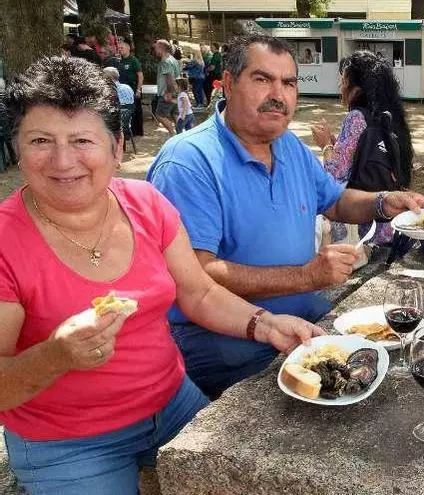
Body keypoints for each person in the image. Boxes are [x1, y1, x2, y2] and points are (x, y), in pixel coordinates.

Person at [0, 55, 323, 494]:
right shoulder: (6, 240)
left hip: (172, 403)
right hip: (67, 444)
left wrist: (265, 324)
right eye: (41, 140)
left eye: (82, 140)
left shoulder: (146, 203)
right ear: (17, 150)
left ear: (117, 147)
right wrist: (56, 355)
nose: (63, 161)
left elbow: (199, 293)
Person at [146, 34, 424, 400]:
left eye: (289, 83)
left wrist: (384, 202)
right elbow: (198, 274)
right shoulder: (188, 162)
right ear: (229, 84)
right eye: (262, 79)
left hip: (303, 317)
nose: (278, 95)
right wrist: (307, 276)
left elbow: (335, 201)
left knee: (400, 363)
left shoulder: (287, 145)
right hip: (225, 339)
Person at [311, 51, 415, 246]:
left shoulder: (356, 118)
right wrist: (337, 143)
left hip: (365, 227)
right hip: (394, 221)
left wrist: (325, 145)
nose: (340, 86)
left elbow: (335, 175)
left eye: (343, 80)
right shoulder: (392, 118)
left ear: (356, 87)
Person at [154, 39, 181, 136]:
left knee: (160, 115)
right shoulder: (173, 59)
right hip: (176, 91)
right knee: (175, 114)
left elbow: (169, 77)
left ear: (161, 48)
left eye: (156, 48)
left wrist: (168, 92)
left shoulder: (165, 61)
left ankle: (173, 135)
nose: (155, 50)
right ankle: (180, 134)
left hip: (167, 92)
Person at [117, 39, 144, 136]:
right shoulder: (119, 60)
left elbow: (140, 75)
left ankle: (137, 131)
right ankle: (127, 131)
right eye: (119, 48)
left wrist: (138, 90)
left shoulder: (133, 60)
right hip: (123, 89)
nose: (120, 50)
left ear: (128, 48)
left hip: (133, 87)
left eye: (122, 48)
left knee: (135, 110)